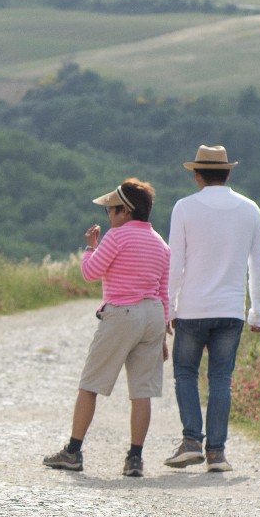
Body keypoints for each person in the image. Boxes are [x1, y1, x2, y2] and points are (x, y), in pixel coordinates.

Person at [44, 179, 169, 477]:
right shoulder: (161, 244)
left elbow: (90, 273)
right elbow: (163, 291)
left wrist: (91, 248)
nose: (109, 216)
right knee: (142, 391)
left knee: (90, 384)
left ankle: (73, 451)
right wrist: (164, 331)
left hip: (121, 313)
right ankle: (135, 458)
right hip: (152, 315)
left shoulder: (116, 237)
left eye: (111, 210)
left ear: (125, 211)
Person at [163, 144, 260, 473]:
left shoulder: (184, 208)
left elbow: (176, 264)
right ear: (227, 172)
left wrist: (169, 308)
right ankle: (217, 454)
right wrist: (258, 311)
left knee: (185, 374)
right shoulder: (250, 209)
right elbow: (258, 265)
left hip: (193, 308)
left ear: (197, 175)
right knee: (222, 379)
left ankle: (192, 441)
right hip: (231, 309)